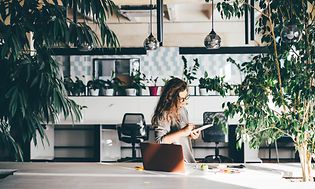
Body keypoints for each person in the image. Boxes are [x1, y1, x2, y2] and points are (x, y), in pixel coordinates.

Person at [151, 77, 200, 163]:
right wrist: (184, 132)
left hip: (187, 161)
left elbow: (178, 136)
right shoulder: (164, 114)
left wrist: (190, 135)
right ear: (171, 98)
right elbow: (160, 143)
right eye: (182, 99)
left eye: (186, 97)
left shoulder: (183, 110)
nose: (185, 102)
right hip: (173, 163)